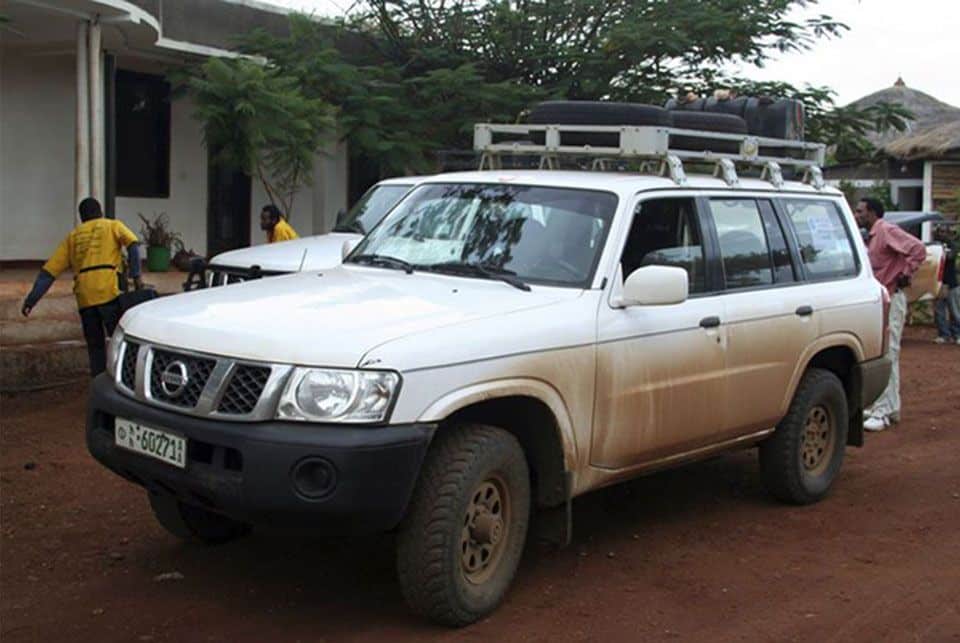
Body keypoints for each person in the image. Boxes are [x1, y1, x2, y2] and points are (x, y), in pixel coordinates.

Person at [21, 197, 142, 376]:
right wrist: (136, 276)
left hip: (84, 298)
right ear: (100, 211)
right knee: (119, 340)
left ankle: (98, 380)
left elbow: (49, 273)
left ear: (82, 217)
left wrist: (31, 300)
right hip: (108, 292)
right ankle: (123, 378)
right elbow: (133, 245)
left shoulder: (73, 236)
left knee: (95, 346)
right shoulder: (112, 226)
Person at [853, 197, 927, 432]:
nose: (857, 215)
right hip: (882, 300)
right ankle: (888, 407)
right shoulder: (872, 236)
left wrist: (905, 273)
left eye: (860, 211)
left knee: (888, 352)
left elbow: (917, 249)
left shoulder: (885, 231)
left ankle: (883, 411)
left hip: (892, 298)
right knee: (885, 352)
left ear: (872, 213)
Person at [933, 225, 960, 345]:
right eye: (939, 232)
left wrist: (942, 252)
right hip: (938, 284)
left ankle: (957, 334)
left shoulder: (953, 246)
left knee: (955, 311)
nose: (941, 234)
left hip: (952, 283)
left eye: (944, 232)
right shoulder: (935, 246)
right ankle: (943, 335)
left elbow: (950, 256)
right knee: (939, 311)